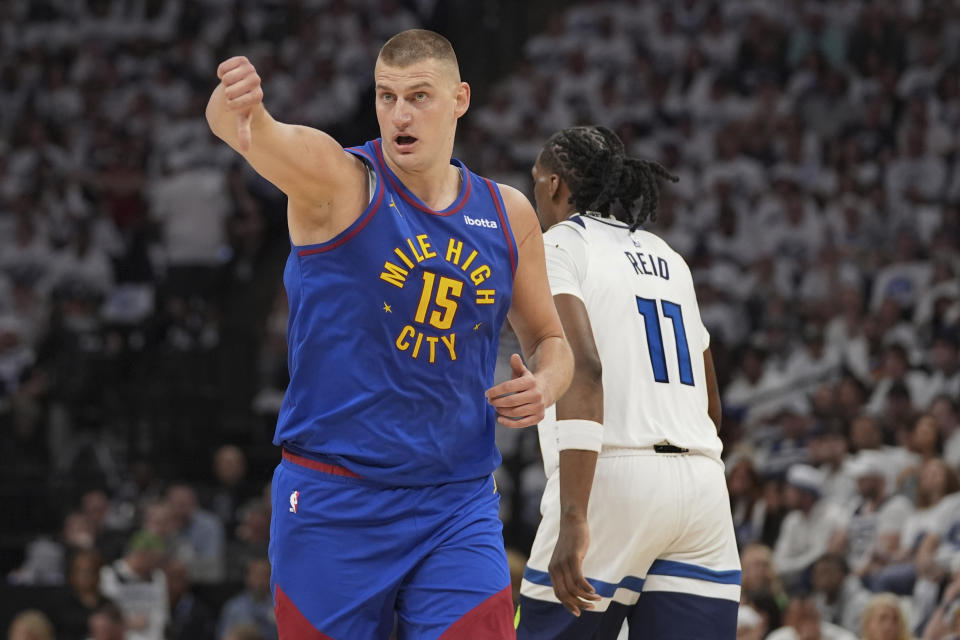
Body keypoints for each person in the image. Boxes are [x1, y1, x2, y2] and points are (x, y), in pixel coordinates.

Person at [206, 28, 572, 638]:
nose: (399, 114)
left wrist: (547, 385)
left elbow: (550, 341)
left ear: (460, 99)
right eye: (386, 96)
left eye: (419, 96)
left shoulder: (507, 213)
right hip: (335, 501)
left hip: (455, 503)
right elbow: (255, 135)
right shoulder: (341, 183)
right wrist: (236, 111)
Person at [514, 125, 739, 639]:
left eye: (535, 180)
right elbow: (711, 407)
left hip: (609, 478)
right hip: (702, 486)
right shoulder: (669, 257)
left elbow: (583, 368)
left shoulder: (558, 246)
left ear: (551, 186)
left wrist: (575, 512)